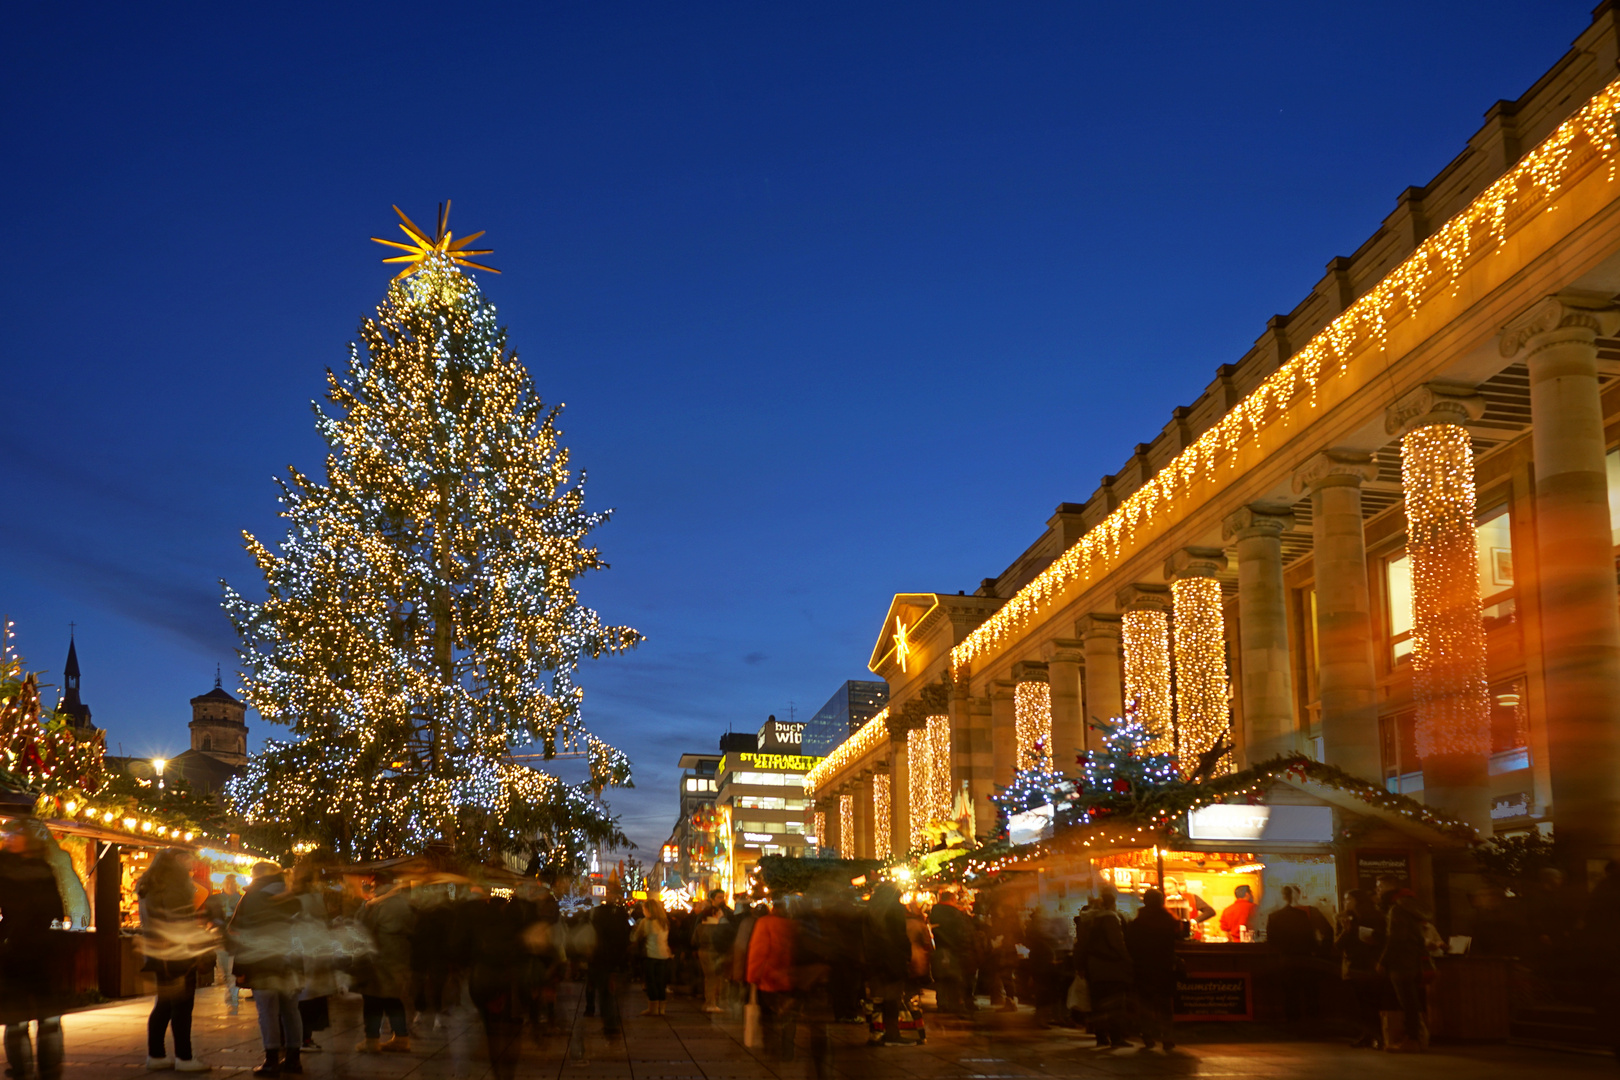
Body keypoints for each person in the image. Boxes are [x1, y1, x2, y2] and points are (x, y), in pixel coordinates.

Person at [0, 815, 69, 1080]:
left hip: (27, 950)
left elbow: (54, 912)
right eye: (7, 835)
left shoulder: (21, 869)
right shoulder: (41, 869)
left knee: (39, 1016)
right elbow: (55, 912)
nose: (9, 840)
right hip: (23, 950)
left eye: (14, 835)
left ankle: (37, 1068)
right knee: (33, 1016)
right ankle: (36, 1068)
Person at [137, 848, 213, 1072]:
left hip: (157, 950)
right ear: (178, 860)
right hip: (177, 952)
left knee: (164, 1003)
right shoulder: (175, 884)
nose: (192, 863)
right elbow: (181, 920)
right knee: (182, 1005)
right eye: (189, 858)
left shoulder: (149, 884)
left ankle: (156, 1054)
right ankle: (184, 1057)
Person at [230, 862, 303, 1076]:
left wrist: (240, 967)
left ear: (256, 875)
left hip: (262, 962)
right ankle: (294, 1059)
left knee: (267, 1011)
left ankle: (271, 1059)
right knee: (291, 1010)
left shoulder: (252, 897)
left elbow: (237, 931)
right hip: (291, 961)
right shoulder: (294, 896)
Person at [353, 870, 415, 1054]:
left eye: (372, 885)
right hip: (398, 959)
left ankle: (371, 1040)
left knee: (372, 1001)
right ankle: (401, 1037)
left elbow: (362, 927)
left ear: (377, 885)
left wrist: (365, 906)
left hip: (378, 960)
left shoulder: (376, 905)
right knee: (392, 999)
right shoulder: (403, 903)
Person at [1375, 875, 1432, 1052]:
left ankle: (1412, 1039)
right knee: (1412, 1001)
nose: (1377, 891)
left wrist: (1383, 960)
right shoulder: (1411, 905)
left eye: (1379, 887)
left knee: (1407, 1002)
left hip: (1401, 962)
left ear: (1387, 886)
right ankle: (1417, 1038)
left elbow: (1395, 938)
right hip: (1414, 959)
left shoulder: (1397, 909)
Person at [1124, 888, 1184, 1051]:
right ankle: (1167, 1036)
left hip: (1144, 968)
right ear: (1162, 902)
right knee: (1165, 1003)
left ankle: (1147, 1035)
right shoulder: (1170, 920)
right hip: (1164, 967)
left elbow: (1130, 945)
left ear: (1145, 902)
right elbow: (1179, 940)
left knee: (1146, 1003)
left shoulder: (1138, 922)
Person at [1075, 888, 1132, 1049]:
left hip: (1093, 966)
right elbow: (1117, 943)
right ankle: (1116, 1037)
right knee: (1115, 1003)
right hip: (1111, 966)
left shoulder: (1086, 919)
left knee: (1098, 1002)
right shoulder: (1110, 918)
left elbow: (1081, 945)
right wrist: (1128, 960)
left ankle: (1100, 1036)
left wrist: (1079, 965)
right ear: (1112, 903)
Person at [746, 898, 798, 1059]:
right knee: (789, 1016)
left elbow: (758, 951)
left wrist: (752, 976)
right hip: (791, 978)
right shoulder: (795, 925)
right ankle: (788, 1049)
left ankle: (771, 1047)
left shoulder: (765, 923)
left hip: (769, 978)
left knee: (769, 1016)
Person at [862, 884, 911, 1045]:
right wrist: (906, 955)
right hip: (892, 958)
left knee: (877, 999)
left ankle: (875, 1032)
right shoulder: (895, 909)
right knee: (892, 999)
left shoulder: (870, 909)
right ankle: (892, 1033)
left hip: (874, 958)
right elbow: (900, 935)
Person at [1334, 889, 1384, 1049]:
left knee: (1370, 1003)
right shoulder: (1347, 919)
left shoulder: (1368, 918)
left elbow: (1380, 938)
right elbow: (1339, 944)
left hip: (1366, 965)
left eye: (1348, 899)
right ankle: (1369, 1035)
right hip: (1357, 964)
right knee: (1363, 1004)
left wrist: (1351, 931)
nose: (1345, 903)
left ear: (1357, 901)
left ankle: (1377, 1035)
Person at [1265, 885, 1320, 1023]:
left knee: (1290, 993)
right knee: (1308, 992)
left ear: (1282, 896)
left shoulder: (1274, 916)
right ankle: (1311, 1020)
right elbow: (1310, 937)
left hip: (1286, 959)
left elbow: (1271, 941)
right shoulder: (1302, 915)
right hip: (1304, 957)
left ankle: (1293, 1022)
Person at [585, 890, 630, 1036]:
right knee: (612, 991)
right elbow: (626, 933)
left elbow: (592, 933)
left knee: (605, 991)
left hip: (601, 957)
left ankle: (609, 1021)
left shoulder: (597, 914)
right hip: (617, 956)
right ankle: (613, 1019)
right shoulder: (622, 914)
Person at [928, 891, 976, 1016]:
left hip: (940, 948)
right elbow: (962, 933)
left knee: (942, 980)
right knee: (955, 979)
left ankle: (942, 1004)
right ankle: (956, 1005)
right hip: (954, 949)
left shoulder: (935, 912)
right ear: (952, 899)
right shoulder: (955, 914)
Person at [203, 876, 242, 1014]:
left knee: (232, 972)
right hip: (220, 939)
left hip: (236, 941)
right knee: (225, 972)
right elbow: (205, 916)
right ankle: (231, 996)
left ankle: (232, 1000)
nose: (231, 886)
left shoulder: (242, 900)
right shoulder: (214, 899)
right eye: (228, 883)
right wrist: (209, 924)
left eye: (233, 883)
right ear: (224, 884)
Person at [696, 889, 734, 1014]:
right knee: (712, 977)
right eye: (718, 897)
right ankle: (711, 1002)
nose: (721, 899)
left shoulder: (727, 912)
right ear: (712, 899)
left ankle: (717, 1002)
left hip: (719, 950)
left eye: (722, 897)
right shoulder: (706, 914)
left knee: (720, 978)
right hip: (712, 949)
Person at [632, 897, 672, 1016]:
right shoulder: (664, 922)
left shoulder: (646, 922)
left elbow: (637, 936)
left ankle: (653, 1008)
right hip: (664, 955)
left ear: (648, 910)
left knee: (651, 982)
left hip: (651, 955)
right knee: (661, 982)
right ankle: (662, 1008)